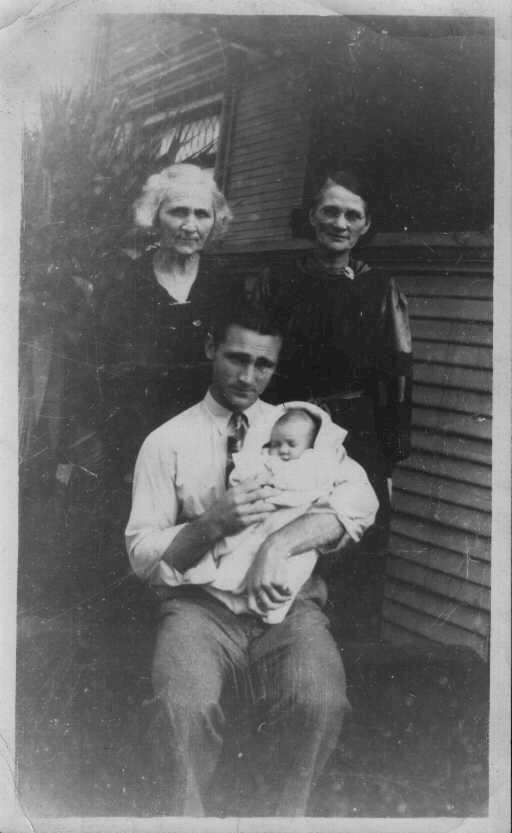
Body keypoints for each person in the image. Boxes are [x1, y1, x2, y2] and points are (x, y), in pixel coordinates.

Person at [125, 301, 379, 816]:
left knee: (321, 702)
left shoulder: (301, 429)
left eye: (263, 364)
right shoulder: (168, 442)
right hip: (200, 608)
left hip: (288, 605)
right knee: (183, 708)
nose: (248, 375)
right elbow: (141, 552)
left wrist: (278, 544)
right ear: (209, 349)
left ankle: (282, 823)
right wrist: (211, 524)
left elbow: (359, 502)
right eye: (236, 358)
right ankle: (186, 825)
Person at [267, 167, 413, 641]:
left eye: (353, 215)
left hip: (358, 434)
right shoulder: (279, 282)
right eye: (330, 210)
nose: (340, 222)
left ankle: (355, 666)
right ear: (312, 216)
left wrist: (388, 458)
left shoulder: (380, 288)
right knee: (285, 538)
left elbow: (397, 374)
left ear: (366, 226)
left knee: (358, 548)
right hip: (289, 431)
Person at [99, 163, 234, 482]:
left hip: (208, 444)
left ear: (215, 222)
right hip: (137, 444)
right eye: (178, 212)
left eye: (202, 214)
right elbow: (102, 375)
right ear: (154, 216)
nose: (191, 225)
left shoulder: (227, 286)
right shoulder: (124, 286)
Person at [184, 404, 376, 625]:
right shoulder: (263, 459)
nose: (283, 450)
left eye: (291, 444)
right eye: (276, 444)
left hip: (296, 521)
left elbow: (362, 500)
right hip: (259, 518)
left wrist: (279, 544)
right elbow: (240, 480)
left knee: (290, 570)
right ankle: (223, 591)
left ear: (312, 444)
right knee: (235, 553)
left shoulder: (324, 463)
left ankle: (269, 607)